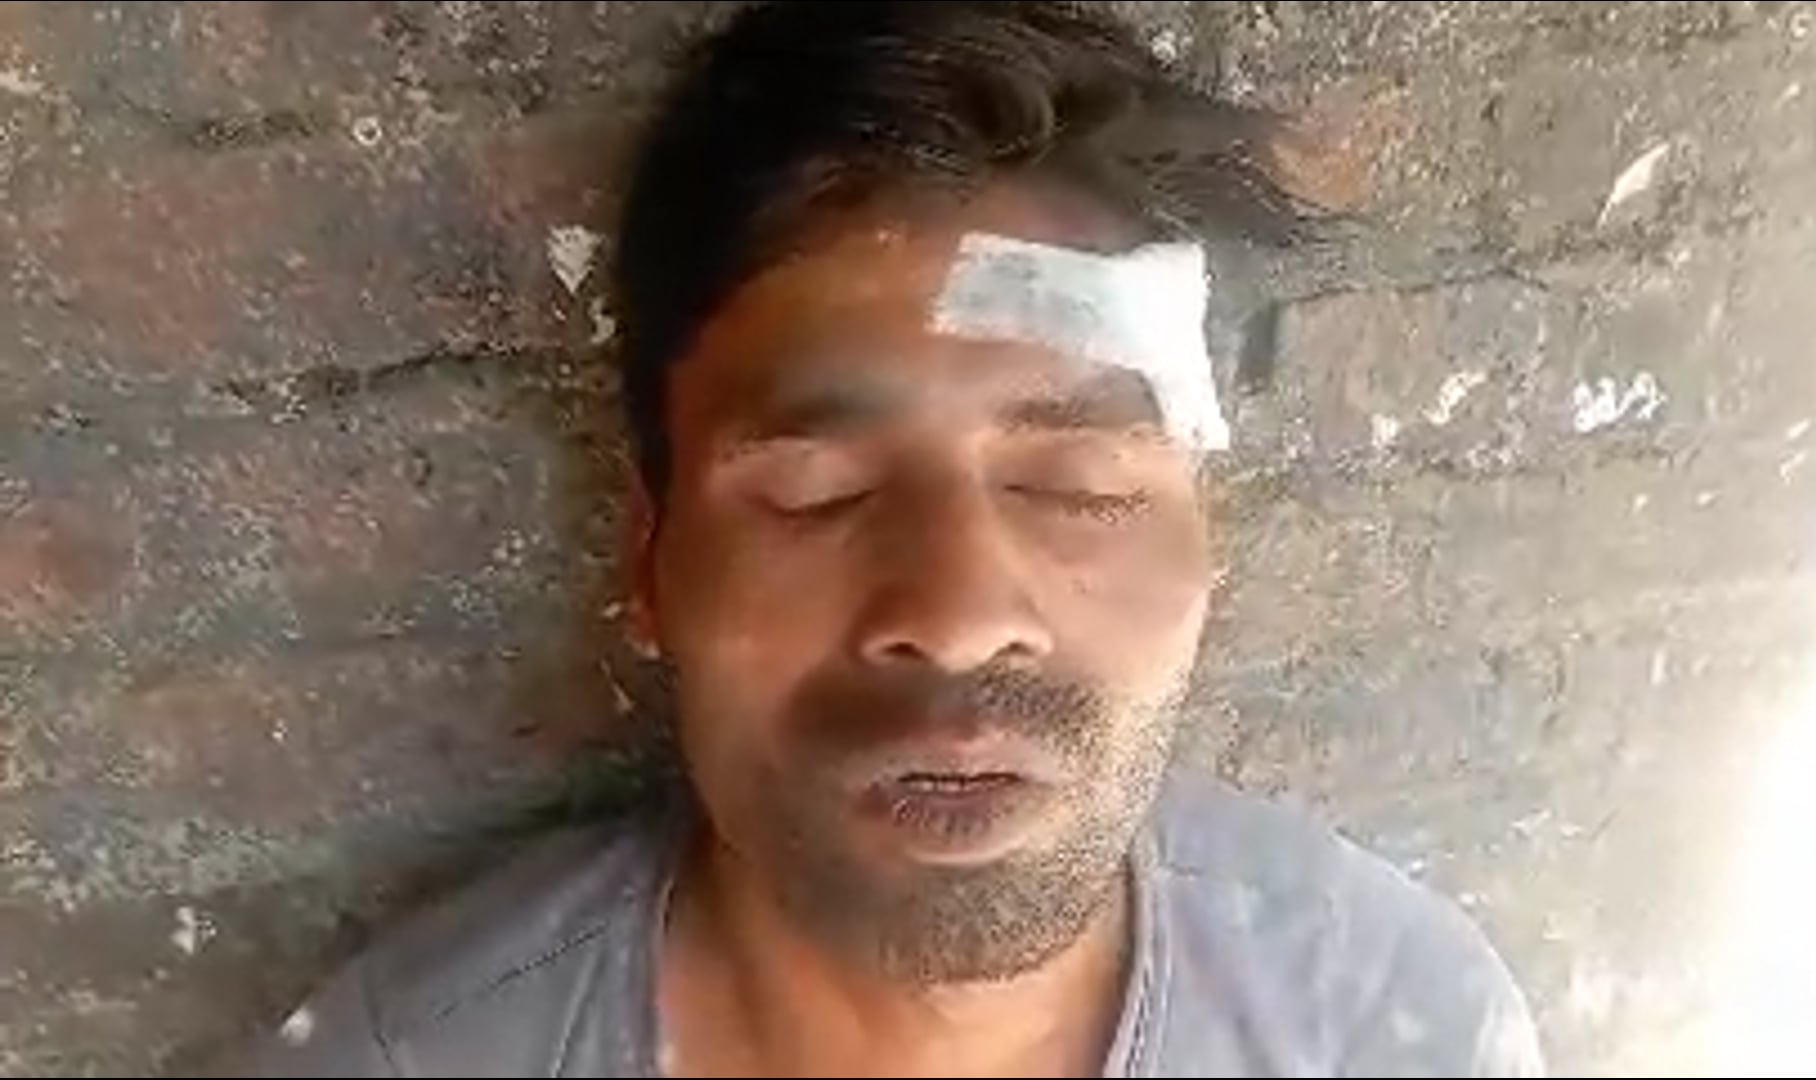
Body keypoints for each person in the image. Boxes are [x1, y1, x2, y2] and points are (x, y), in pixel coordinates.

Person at [221, 2, 1542, 1075]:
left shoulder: (1398, 1026)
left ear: (1207, 540)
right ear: (648, 557)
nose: (959, 616)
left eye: (1080, 483)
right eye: (815, 492)